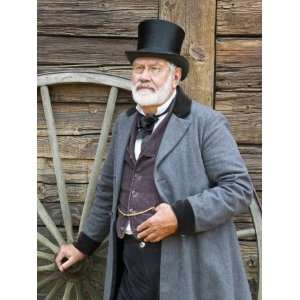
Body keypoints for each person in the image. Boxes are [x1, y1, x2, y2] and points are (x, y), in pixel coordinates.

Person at [55, 19, 253, 300]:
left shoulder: (206, 124)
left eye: (154, 69)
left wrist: (179, 216)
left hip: (185, 264)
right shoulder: (124, 124)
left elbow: (239, 189)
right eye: (139, 68)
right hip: (131, 265)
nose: (144, 76)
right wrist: (83, 246)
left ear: (175, 77)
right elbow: (108, 190)